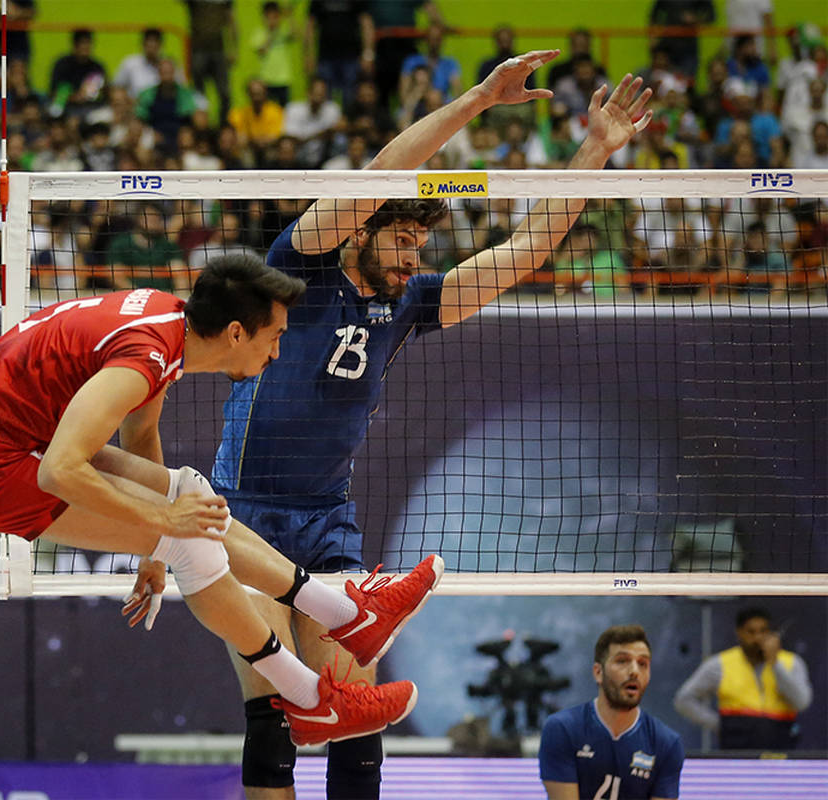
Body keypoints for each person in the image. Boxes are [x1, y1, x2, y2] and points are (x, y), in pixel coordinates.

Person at [173, 52, 652, 799]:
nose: (412, 256)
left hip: (326, 523)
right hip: (247, 517)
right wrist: (477, 100)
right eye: (400, 239)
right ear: (360, 233)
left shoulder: (410, 303)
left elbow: (524, 254)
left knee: (356, 720)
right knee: (274, 718)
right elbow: (380, 178)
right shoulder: (298, 269)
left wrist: (593, 150)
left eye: (419, 246)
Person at [0, 257, 444, 748]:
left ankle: (353, 617)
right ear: (236, 333)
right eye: (275, 337)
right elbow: (60, 471)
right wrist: (162, 522)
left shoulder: (169, 325)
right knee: (190, 540)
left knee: (194, 496)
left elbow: (140, 434)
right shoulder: (146, 356)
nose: (277, 354)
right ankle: (312, 700)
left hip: (19, 437)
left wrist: (153, 548)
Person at [539, 625, 685, 800]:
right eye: (622, 661)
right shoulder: (562, 729)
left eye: (643, 664)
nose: (634, 671)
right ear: (598, 673)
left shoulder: (666, 743)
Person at [673, 606, 813, 750]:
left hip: (780, 748)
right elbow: (684, 699)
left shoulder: (791, 662)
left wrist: (775, 664)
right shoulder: (720, 664)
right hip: (736, 749)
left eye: (763, 631)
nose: (758, 638)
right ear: (739, 633)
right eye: (751, 632)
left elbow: (802, 702)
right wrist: (719, 725)